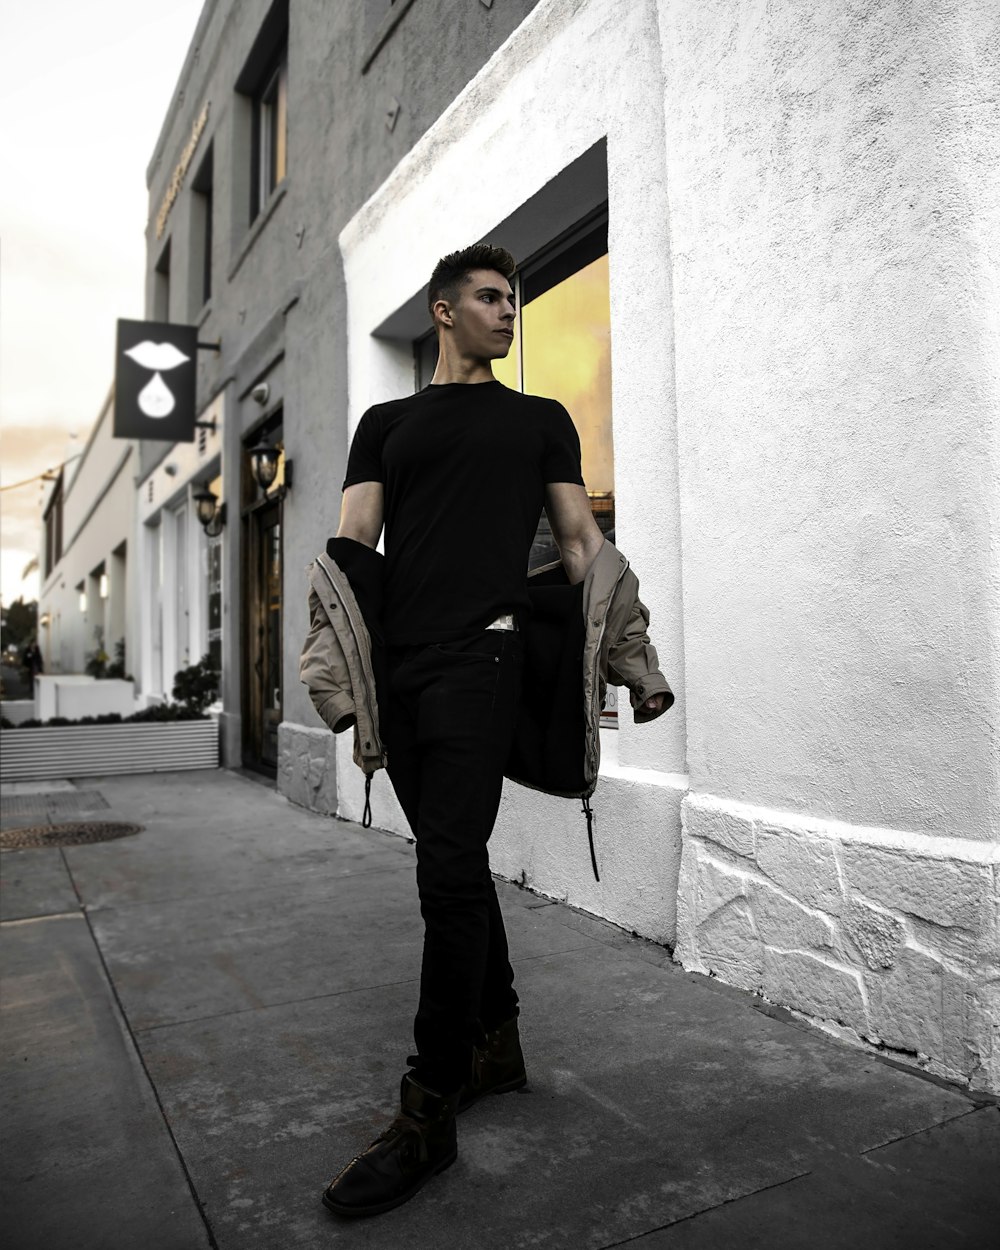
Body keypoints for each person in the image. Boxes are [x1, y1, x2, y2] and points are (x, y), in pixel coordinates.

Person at [310, 243, 672, 1218]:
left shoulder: (539, 419)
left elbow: (583, 541)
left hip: (488, 658)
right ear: (442, 311)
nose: (508, 310)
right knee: (454, 858)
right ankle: (496, 1041)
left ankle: (427, 1108)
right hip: (406, 666)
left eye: (513, 298)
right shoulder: (386, 424)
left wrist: (633, 656)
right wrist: (332, 661)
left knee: (444, 873)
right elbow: (352, 543)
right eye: (489, 297)